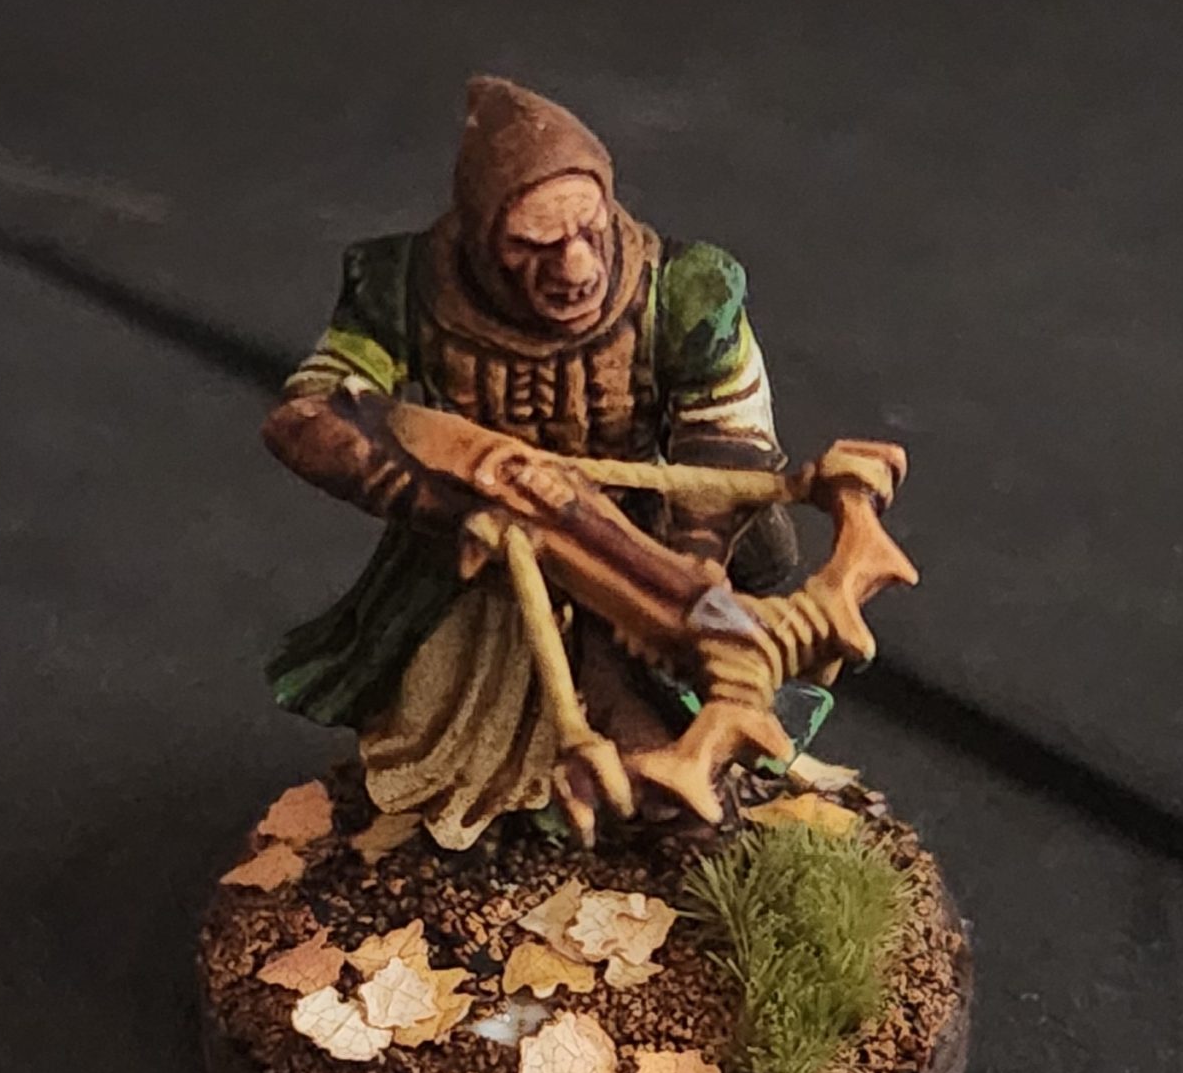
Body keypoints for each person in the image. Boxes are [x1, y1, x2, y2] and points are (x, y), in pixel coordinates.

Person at [264, 75, 804, 847]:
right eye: (533, 245)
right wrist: (450, 497)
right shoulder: (405, 288)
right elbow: (311, 411)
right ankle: (510, 812)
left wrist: (693, 556)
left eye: (589, 230)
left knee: (688, 672)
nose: (576, 268)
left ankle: (679, 775)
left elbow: (728, 425)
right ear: (484, 235)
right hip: (480, 541)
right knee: (451, 735)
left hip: (640, 538)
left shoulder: (685, 288)